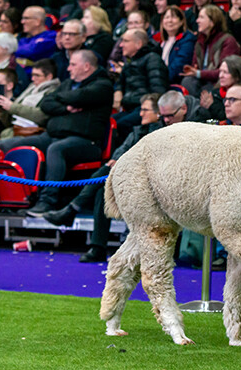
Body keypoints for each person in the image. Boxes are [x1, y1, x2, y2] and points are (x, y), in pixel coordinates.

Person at [43, 93, 163, 263]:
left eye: (145, 110)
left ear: (158, 113)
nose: (141, 113)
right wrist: (117, 160)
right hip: (127, 176)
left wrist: (121, 162)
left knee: (104, 176)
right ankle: (97, 247)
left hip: (147, 180)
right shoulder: (137, 130)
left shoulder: (160, 133)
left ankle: (73, 209)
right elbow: (122, 149)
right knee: (102, 189)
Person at [0, 50, 113, 215]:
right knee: (5, 144)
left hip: (85, 142)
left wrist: (61, 99)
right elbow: (46, 103)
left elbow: (81, 96)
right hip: (51, 136)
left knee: (56, 149)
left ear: (86, 66)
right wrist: (66, 107)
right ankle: (9, 197)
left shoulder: (103, 85)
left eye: (73, 64)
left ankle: (47, 201)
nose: (68, 69)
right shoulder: (67, 84)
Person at [114, 29, 169, 138]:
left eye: (125, 41)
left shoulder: (152, 59)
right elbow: (121, 81)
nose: (121, 45)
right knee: (110, 123)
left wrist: (147, 107)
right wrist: (118, 91)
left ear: (138, 44)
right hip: (130, 108)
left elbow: (159, 90)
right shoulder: (130, 61)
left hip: (145, 108)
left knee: (122, 125)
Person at [180, 4, 240, 96]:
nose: (197, 21)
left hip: (218, 82)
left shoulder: (228, 41)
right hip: (202, 81)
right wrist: (192, 70)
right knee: (187, 81)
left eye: (201, 17)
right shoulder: (200, 41)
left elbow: (224, 72)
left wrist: (198, 73)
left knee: (207, 90)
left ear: (212, 22)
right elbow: (195, 66)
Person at [0, 59, 60, 139]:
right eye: (32, 75)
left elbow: (42, 116)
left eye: (37, 75)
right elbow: (9, 122)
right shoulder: (31, 87)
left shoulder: (54, 92)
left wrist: (12, 107)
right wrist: (1, 107)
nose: (32, 79)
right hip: (15, 130)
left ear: (49, 76)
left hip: (34, 133)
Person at [159, 5, 195, 84]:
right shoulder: (161, 42)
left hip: (174, 82)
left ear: (181, 21)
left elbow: (179, 67)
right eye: (167, 17)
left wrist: (160, 80)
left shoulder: (187, 39)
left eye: (174, 17)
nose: (170, 20)